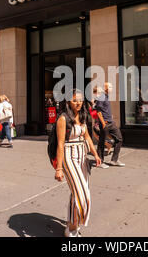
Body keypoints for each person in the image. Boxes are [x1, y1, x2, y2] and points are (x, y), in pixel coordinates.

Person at [54, 89, 102, 237]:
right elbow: (60, 144)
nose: (78, 103)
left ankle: (71, 228)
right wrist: (59, 168)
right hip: (69, 157)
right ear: (68, 101)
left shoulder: (82, 116)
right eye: (75, 100)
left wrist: (95, 154)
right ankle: (74, 226)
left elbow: (87, 137)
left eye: (80, 100)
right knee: (83, 195)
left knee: (75, 193)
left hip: (83, 157)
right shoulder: (63, 119)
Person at [95, 82, 125, 168]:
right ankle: (100, 162)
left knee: (119, 139)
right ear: (106, 88)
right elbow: (98, 111)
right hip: (105, 123)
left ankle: (114, 160)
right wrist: (103, 123)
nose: (112, 88)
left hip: (111, 122)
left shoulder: (106, 96)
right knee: (101, 142)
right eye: (110, 87)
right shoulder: (102, 97)